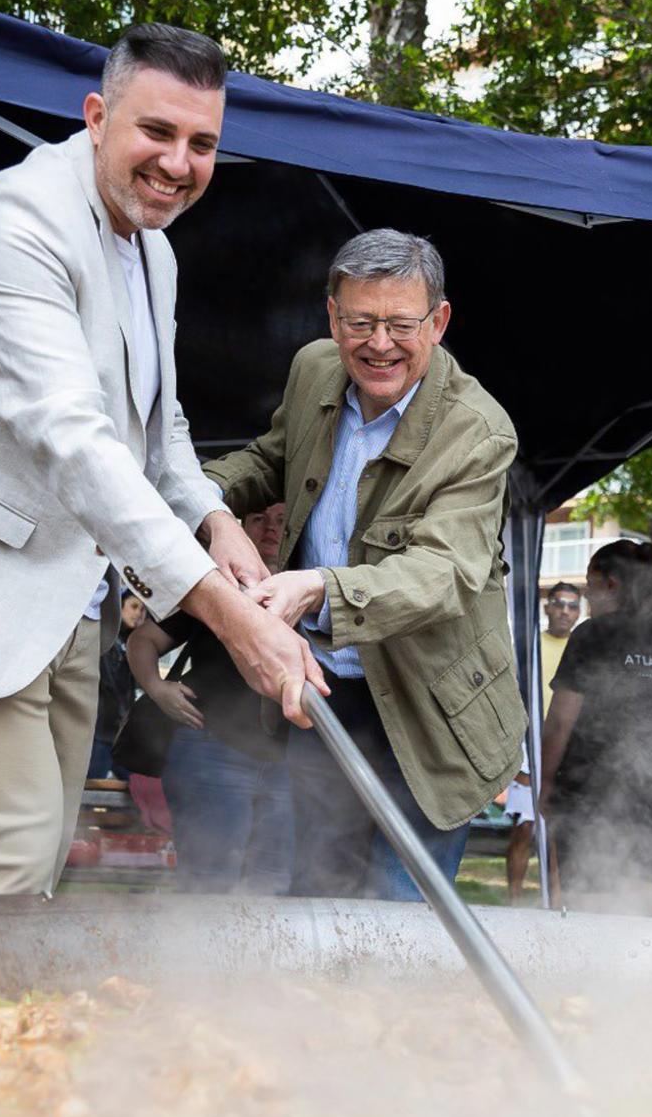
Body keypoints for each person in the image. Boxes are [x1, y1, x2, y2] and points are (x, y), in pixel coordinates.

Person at [0, 23, 320, 899]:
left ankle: (3, 1027)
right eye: (157, 132)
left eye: (203, 143)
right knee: (13, 854)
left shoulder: (155, 252)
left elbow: (158, 424)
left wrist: (215, 522)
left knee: (50, 849)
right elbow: (74, 441)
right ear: (97, 115)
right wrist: (224, 612)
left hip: (64, 594)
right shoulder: (14, 220)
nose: (179, 164)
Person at [212, 229, 523, 901]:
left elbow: (443, 572)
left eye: (401, 325)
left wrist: (320, 588)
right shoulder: (314, 369)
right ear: (332, 316)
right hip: (329, 693)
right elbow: (274, 458)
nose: (379, 344)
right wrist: (205, 501)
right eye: (361, 322)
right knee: (317, 898)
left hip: (434, 710)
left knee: (400, 915)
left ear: (438, 322)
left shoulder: (478, 430)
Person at [127, 506, 293, 894]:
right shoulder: (216, 589)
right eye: (259, 518)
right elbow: (142, 641)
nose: (270, 528)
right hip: (212, 747)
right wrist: (157, 688)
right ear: (240, 531)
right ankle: (197, 955)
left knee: (274, 881)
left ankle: (257, 957)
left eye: (282, 520)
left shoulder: (313, 588)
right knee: (209, 880)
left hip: (287, 759)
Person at [538, 542, 652, 892]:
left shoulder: (592, 635)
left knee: (585, 904)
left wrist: (545, 782)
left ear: (611, 584)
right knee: (636, 910)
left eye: (589, 586)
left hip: (591, 795)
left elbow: (561, 720)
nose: (586, 598)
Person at [505, 582, 581, 902]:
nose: (565, 611)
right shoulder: (528, 644)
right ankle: (514, 901)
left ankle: (555, 905)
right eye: (559, 603)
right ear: (547, 607)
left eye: (572, 605)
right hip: (529, 742)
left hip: (567, 745)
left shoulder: (582, 647)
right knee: (525, 828)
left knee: (557, 834)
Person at [90, 594, 146, 780]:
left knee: (136, 781)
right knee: (91, 787)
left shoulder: (134, 644)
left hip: (118, 734)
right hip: (100, 731)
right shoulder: (107, 639)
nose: (138, 613)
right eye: (134, 606)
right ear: (120, 607)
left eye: (143, 610)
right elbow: (108, 685)